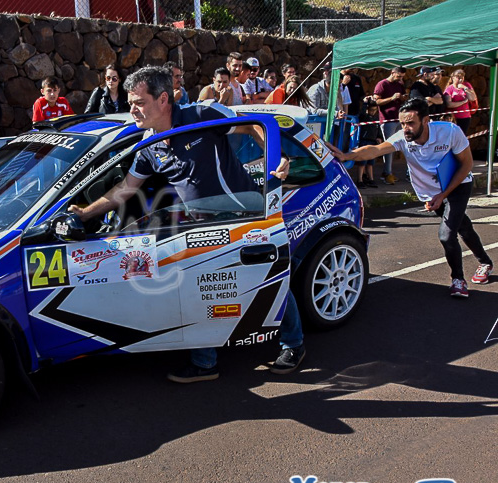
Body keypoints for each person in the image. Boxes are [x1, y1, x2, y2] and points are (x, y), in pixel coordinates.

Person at [67, 66, 305, 381]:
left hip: (245, 215)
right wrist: (85, 214)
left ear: (163, 99)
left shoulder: (202, 114)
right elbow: (125, 189)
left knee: (269, 278)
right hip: (200, 227)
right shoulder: (148, 144)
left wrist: (277, 157)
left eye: (139, 102)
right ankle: (205, 363)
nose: (132, 109)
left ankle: (293, 343)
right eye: (130, 102)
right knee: (200, 289)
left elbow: (252, 126)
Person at [329, 98, 493, 297]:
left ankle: (458, 280)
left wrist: (443, 195)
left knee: (446, 234)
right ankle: (485, 262)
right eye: (402, 123)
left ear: (425, 120)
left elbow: (466, 165)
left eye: (410, 123)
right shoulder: (402, 138)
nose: (405, 128)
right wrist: (347, 156)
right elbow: (375, 150)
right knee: (463, 226)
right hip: (433, 191)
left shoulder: (450, 132)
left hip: (458, 184)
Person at [373, 67, 408, 184]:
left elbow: (404, 97)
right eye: (399, 76)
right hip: (387, 120)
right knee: (389, 147)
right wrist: (391, 98)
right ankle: (387, 173)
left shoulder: (399, 84)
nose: (400, 78)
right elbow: (377, 101)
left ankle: (391, 172)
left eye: (402, 77)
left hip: (399, 119)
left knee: (402, 145)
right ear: (392, 73)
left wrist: (402, 97)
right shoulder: (382, 84)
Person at [353, 97, 381, 189]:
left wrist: (379, 137)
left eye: (375, 110)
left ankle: (370, 179)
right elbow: (361, 114)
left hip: (373, 142)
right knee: (362, 163)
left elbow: (378, 129)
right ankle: (360, 180)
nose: (373, 112)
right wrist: (365, 103)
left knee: (370, 163)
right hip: (364, 141)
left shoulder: (376, 119)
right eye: (371, 110)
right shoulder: (364, 117)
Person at [444, 68, 478, 134]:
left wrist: (465, 88)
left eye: (462, 77)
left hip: (465, 117)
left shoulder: (467, 85)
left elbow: (473, 98)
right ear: (453, 78)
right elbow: (449, 104)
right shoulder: (449, 89)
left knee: (462, 135)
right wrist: (463, 102)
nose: (460, 80)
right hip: (454, 118)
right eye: (458, 77)